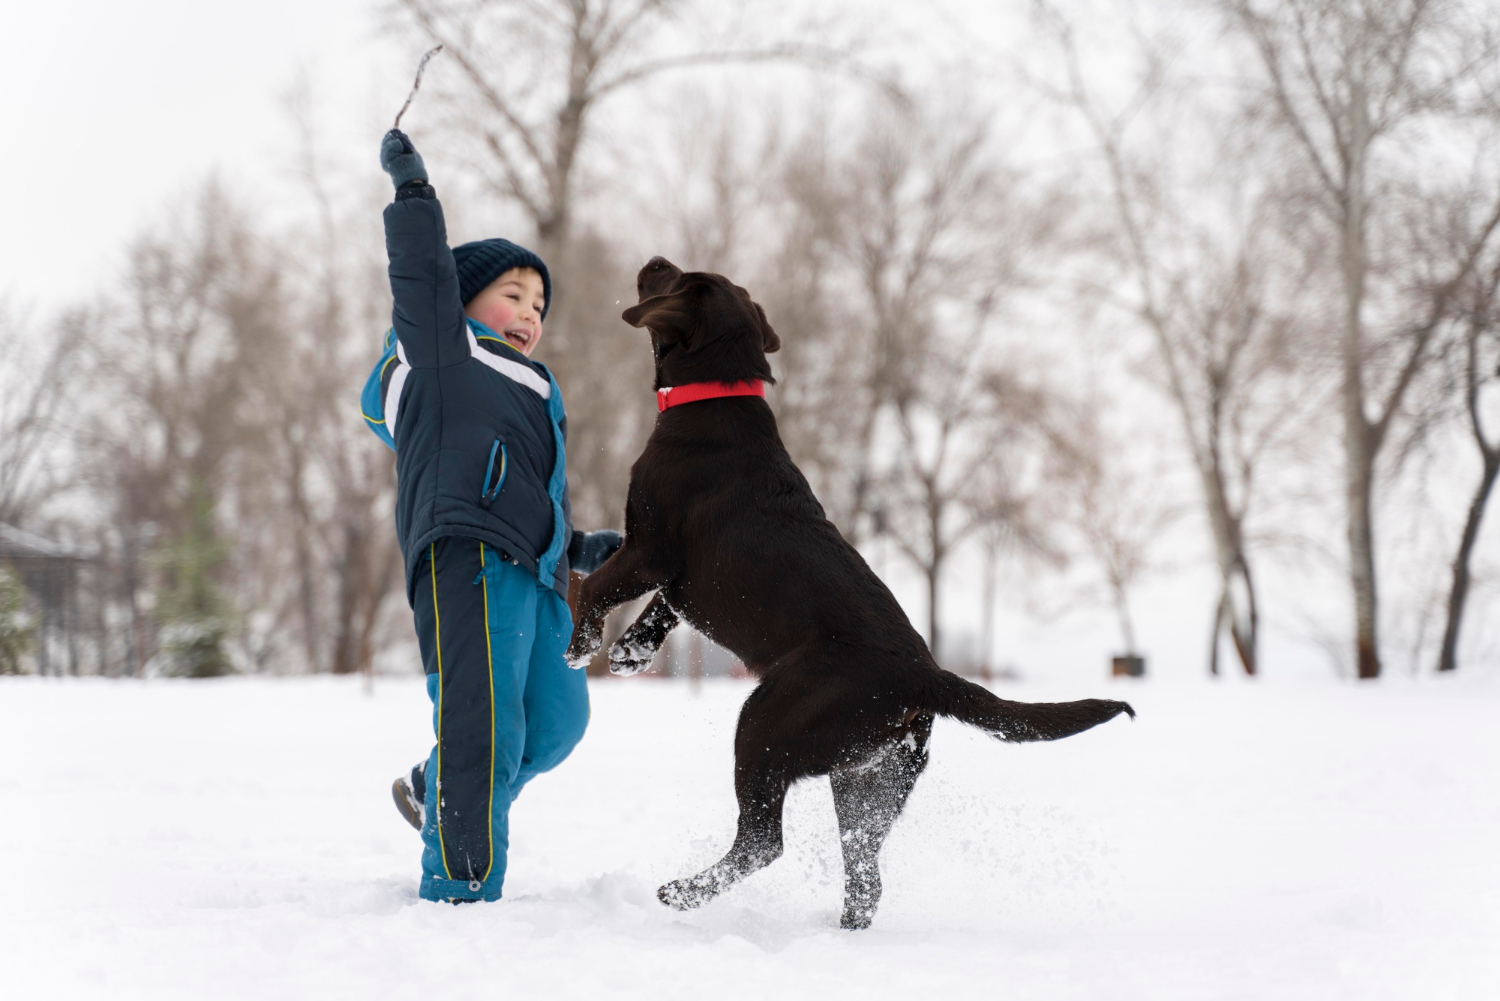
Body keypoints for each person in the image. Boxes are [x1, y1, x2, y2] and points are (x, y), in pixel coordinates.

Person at [360, 128, 620, 903]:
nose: (530, 313)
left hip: (533, 571)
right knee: (486, 725)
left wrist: (573, 545)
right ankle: (461, 885)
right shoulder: (444, 355)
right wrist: (414, 197)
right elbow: (420, 278)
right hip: (466, 556)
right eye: (513, 294)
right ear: (462, 297)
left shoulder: (532, 387)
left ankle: (431, 788)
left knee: (558, 719)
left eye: (539, 304)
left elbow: (520, 487)